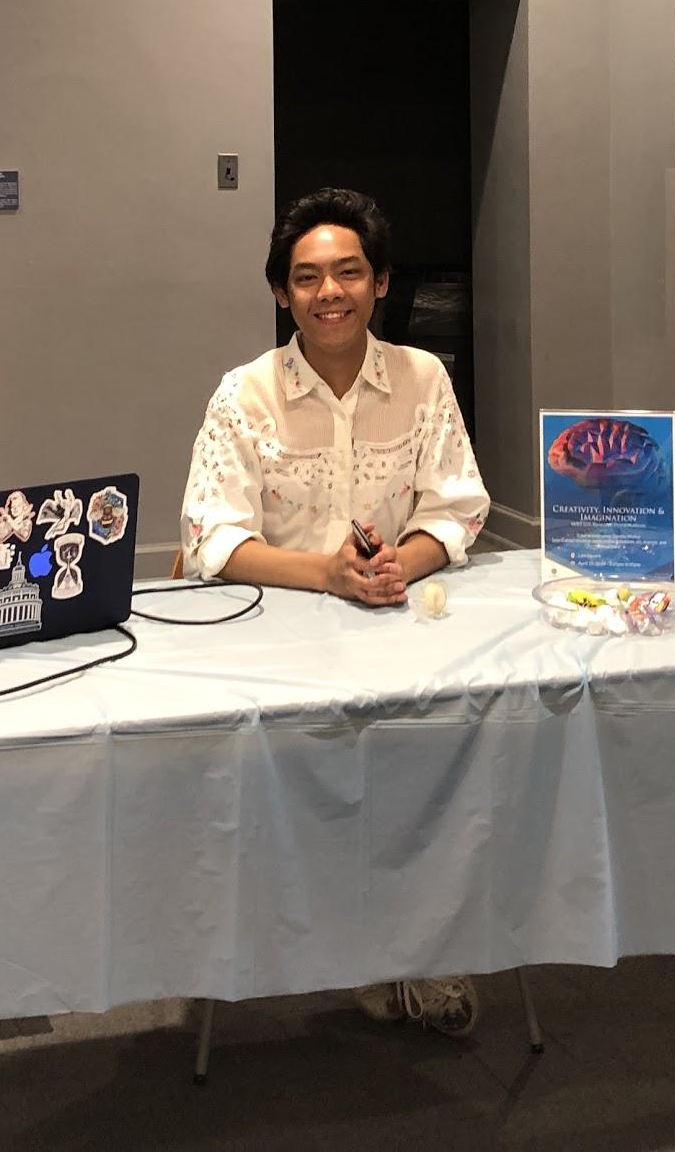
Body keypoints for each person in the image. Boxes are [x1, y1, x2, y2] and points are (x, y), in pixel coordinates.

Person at [180, 187, 491, 1035]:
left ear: (381, 282)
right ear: (282, 292)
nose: (329, 292)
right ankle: (301, 943)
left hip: (395, 624)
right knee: (299, 788)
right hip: (275, 639)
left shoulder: (423, 378)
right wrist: (327, 574)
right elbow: (210, 535)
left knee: (441, 763)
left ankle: (417, 947)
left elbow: (458, 507)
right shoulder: (244, 394)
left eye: (348, 272)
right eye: (307, 277)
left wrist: (401, 561)